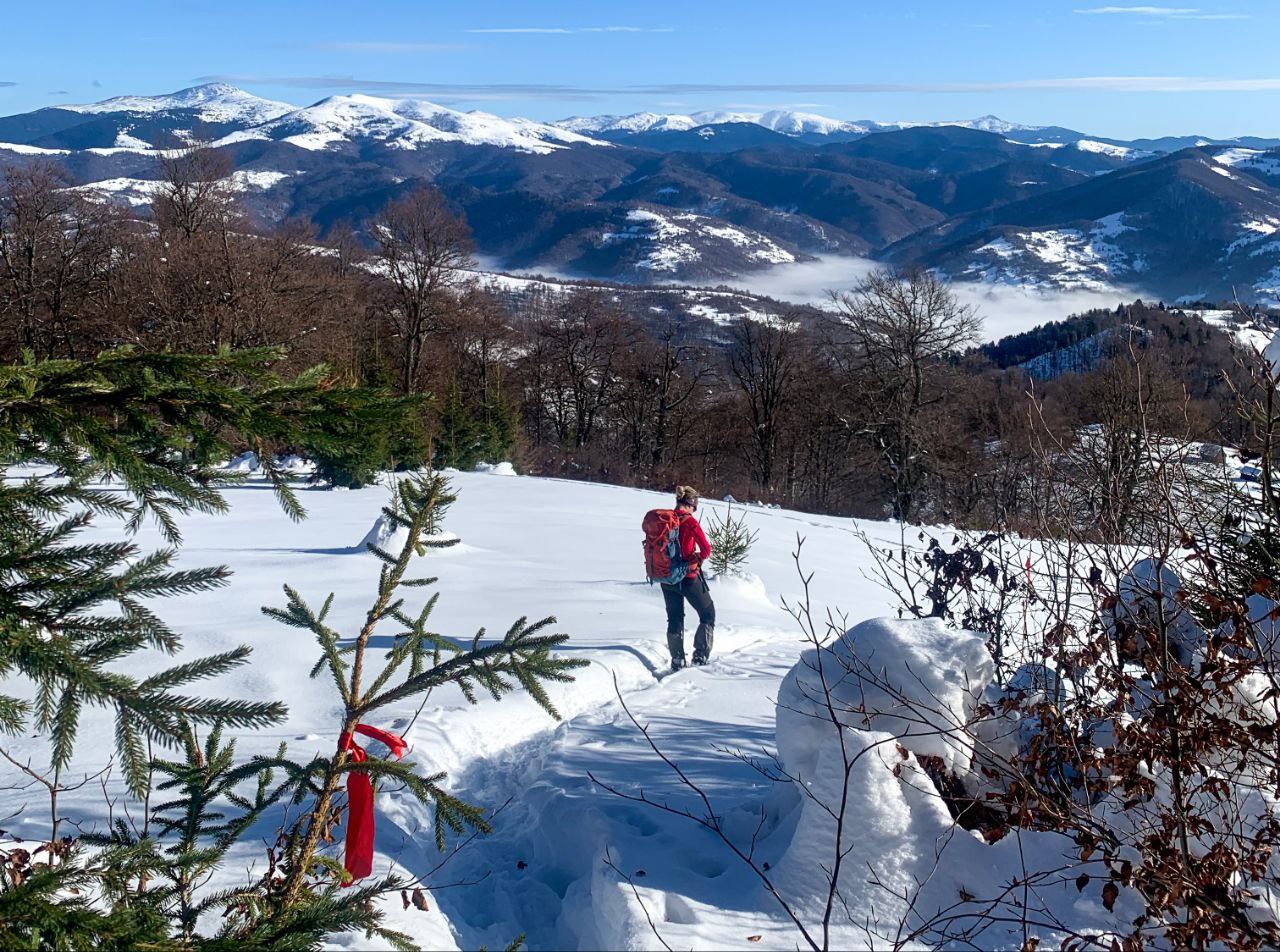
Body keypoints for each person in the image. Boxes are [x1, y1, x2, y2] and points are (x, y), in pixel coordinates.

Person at [662, 485, 715, 671]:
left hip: (666, 577)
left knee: (675, 618)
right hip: (688, 577)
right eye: (696, 503)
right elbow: (707, 549)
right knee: (708, 614)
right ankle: (700, 657)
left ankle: (677, 660)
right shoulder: (691, 522)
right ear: (692, 504)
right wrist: (697, 559)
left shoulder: (665, 519)